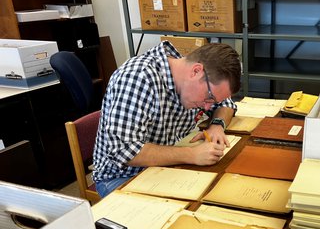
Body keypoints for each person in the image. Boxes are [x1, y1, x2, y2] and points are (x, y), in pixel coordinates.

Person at [92, 41, 241, 197]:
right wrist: (191, 155)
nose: (207, 108)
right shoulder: (139, 78)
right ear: (196, 71)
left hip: (165, 167)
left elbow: (225, 103)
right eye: (209, 98)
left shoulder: (187, 75)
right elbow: (124, 150)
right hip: (122, 176)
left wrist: (217, 125)